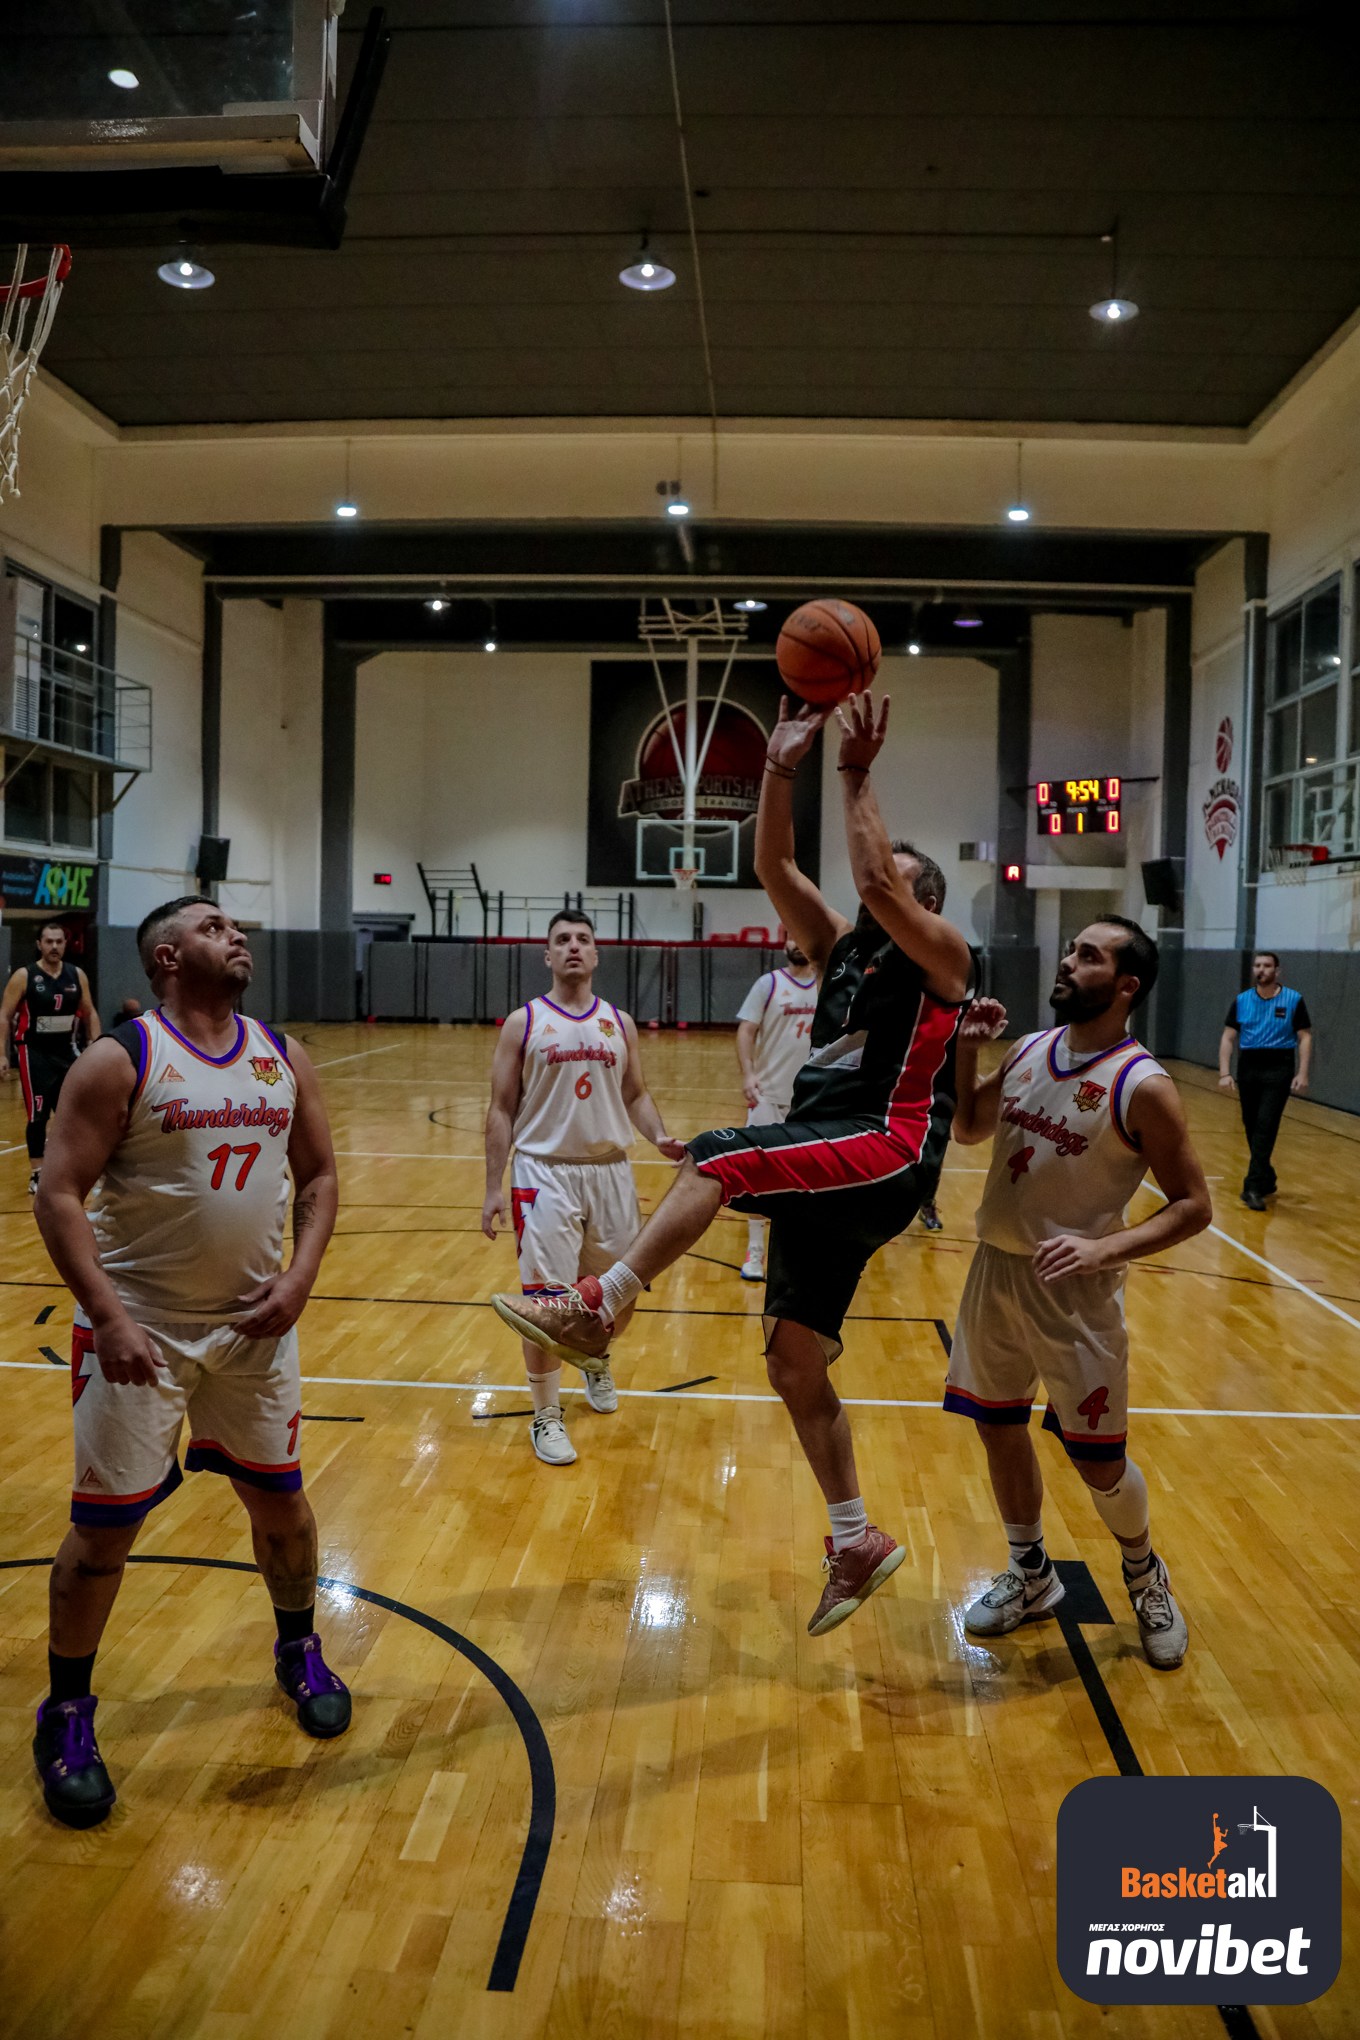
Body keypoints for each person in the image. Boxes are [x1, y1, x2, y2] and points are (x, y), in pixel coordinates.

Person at [492, 690, 974, 1635]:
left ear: (922, 900)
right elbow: (773, 863)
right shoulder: (838, 948)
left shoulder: (945, 955)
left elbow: (875, 879)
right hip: (825, 1156)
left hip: (883, 1148)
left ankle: (600, 1305)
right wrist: (781, 763)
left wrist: (855, 768)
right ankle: (854, 1538)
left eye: (892, 875)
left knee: (717, 1154)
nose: (869, 880)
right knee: (796, 1363)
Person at [30, 895, 349, 1829]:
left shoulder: (283, 1055)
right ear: (168, 956)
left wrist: (300, 1277)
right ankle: (67, 1714)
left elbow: (322, 1176)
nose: (236, 934)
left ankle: (298, 1650)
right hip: (141, 1334)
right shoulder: (119, 1058)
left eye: (237, 926)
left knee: (283, 1507)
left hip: (256, 1329)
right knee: (102, 1538)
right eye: (214, 926)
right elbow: (58, 1195)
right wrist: (107, 1316)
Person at [946, 917, 1212, 1670]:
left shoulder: (1143, 1085)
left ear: (1125, 985)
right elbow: (968, 1126)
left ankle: (1142, 1569)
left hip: (1076, 1293)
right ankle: (1031, 1576)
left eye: (1087, 956)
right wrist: (967, 1053)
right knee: (998, 1427)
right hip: (995, 1270)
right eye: (1070, 949)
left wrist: (1104, 1246)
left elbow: (1195, 1205)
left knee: (1098, 1465)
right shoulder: (1031, 1049)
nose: (1066, 962)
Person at [482, 908, 681, 1466]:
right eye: (561, 940)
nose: (573, 947)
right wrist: (492, 1186)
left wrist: (659, 1134)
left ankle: (597, 1355)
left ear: (596, 955)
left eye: (583, 939)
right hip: (543, 1173)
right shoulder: (523, 1023)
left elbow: (636, 1093)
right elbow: (500, 1109)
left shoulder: (619, 1021)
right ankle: (546, 1415)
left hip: (611, 1170)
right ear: (547, 956)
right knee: (545, 1302)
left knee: (622, 1289)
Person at [733, 937, 818, 1281]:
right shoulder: (768, 984)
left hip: (809, 1100)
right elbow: (745, 1031)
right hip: (767, 1095)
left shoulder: (826, 985)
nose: (798, 941)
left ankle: (799, 1252)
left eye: (803, 934)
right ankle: (755, 1251)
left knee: (808, 1181)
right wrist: (748, 1074)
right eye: (791, 934)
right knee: (757, 1178)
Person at [0, 919, 100, 1194]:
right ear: (39, 945)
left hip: (66, 1051)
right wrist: (1, 1054)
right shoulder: (25, 975)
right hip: (34, 1052)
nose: (54, 946)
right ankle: (37, 1173)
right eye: (49, 941)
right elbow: (4, 1015)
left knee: (74, 1114)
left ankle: (75, 1170)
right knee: (38, 1115)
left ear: (65, 944)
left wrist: (96, 1044)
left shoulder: (76, 974)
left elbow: (89, 1011)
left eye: (59, 941)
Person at [1218, 951, 1312, 1210]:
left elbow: (1304, 1036)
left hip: (1278, 1067)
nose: (1261, 969)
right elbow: (1228, 1037)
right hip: (1249, 1066)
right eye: (1257, 965)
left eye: (1267, 965)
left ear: (1277, 971)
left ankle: (1253, 1186)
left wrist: (1302, 1072)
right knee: (1251, 1124)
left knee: (1266, 1125)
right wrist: (1225, 1072)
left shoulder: (1293, 1000)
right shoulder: (1242, 1000)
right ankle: (1267, 1176)